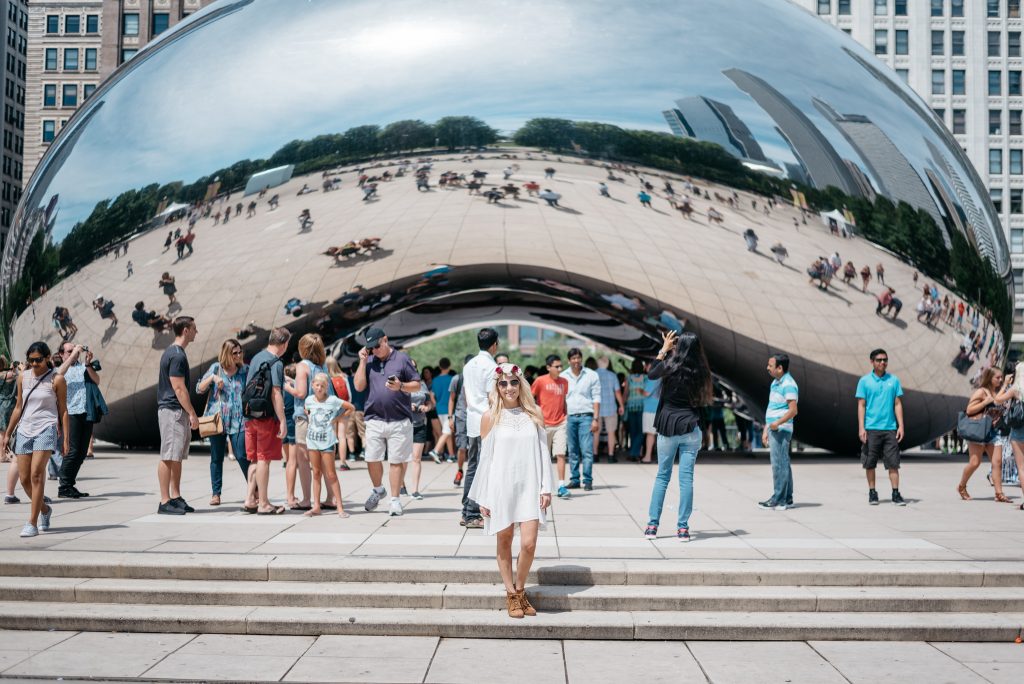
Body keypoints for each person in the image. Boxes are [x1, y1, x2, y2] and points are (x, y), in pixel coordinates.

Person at [469, 362, 552, 619]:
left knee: (529, 543)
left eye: (513, 382)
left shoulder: (534, 413)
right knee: (504, 540)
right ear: (497, 386)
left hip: (530, 484)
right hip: (500, 487)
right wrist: (483, 496)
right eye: (503, 383)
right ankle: (512, 595)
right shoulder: (489, 417)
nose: (509, 387)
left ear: (521, 385)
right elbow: (485, 461)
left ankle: (520, 588)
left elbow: (543, 452)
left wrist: (546, 487)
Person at [643, 331, 712, 541]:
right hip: (691, 427)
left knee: (662, 477)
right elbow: (703, 404)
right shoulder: (702, 373)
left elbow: (651, 373)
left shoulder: (670, 366)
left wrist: (664, 349)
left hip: (668, 427)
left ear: (678, 347)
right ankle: (683, 528)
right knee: (686, 480)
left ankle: (652, 527)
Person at [352, 327, 421, 517]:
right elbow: (358, 386)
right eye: (371, 347)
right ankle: (378, 489)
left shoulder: (402, 359)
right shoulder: (369, 361)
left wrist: (401, 386)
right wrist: (362, 361)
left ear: (385, 340)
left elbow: (417, 385)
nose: (374, 350)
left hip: (399, 419)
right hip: (374, 418)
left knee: (396, 461)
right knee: (371, 458)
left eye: (377, 346)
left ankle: (395, 500)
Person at [0, 343, 67, 537]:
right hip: (24, 430)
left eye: (38, 359)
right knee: (24, 479)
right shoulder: (23, 377)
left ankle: (32, 522)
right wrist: (7, 434)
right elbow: (19, 407)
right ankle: (45, 509)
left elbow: (63, 411)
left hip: (46, 429)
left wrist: (65, 438)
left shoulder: (57, 379)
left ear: (47, 358)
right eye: (31, 360)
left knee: (37, 475)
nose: (35, 364)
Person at [242, 327, 291, 515]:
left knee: (254, 458)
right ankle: (263, 503)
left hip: (250, 416)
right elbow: (276, 393)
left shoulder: (256, 357)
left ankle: (249, 499)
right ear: (284, 343)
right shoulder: (276, 363)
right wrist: (283, 420)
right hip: (265, 418)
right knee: (264, 459)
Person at [196, 339, 249, 507]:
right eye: (235, 353)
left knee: (241, 455)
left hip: (239, 420)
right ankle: (216, 493)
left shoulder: (244, 370)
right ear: (227, 353)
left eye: (240, 352)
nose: (239, 355)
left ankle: (254, 490)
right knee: (216, 458)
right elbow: (199, 389)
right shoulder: (216, 368)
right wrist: (212, 378)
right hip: (218, 420)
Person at [283, 334, 333, 511]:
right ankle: (330, 497)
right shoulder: (322, 367)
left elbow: (301, 393)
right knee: (324, 459)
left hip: (305, 418)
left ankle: (306, 499)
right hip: (323, 418)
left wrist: (288, 386)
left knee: (303, 460)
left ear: (303, 348)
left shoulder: (302, 366)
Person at [156, 317, 199, 515]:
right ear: (186, 330)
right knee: (168, 455)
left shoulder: (175, 353)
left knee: (177, 457)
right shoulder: (177, 356)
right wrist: (192, 413)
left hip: (175, 410)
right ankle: (165, 501)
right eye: (194, 328)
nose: (196, 332)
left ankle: (175, 496)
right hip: (172, 410)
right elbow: (179, 388)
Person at [460, 328, 500, 528]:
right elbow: (492, 398)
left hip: (473, 420)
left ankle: (466, 510)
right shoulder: (492, 367)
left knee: (473, 466)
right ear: (495, 345)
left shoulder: (469, 365)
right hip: (487, 421)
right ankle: (472, 514)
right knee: (483, 468)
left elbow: (467, 395)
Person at [856, 349, 906, 506]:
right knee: (870, 463)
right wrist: (861, 428)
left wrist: (901, 426)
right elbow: (861, 405)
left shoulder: (894, 380)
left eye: (885, 359)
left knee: (893, 463)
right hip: (871, 429)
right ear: (872, 362)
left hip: (890, 429)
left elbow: (897, 403)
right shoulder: (864, 381)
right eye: (879, 360)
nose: (882, 362)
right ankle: (872, 492)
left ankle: (896, 494)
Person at [959, 367, 1015, 502]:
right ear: (989, 377)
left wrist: (1006, 385)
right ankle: (961, 486)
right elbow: (969, 410)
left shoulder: (996, 392)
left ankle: (999, 493)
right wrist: (985, 401)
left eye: (1002, 377)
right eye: (998, 378)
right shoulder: (981, 391)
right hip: (979, 430)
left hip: (994, 432)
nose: (1000, 380)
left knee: (997, 463)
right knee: (975, 463)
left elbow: (997, 401)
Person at [303, 373, 353, 517]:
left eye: (322, 386)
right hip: (312, 441)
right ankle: (316, 506)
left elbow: (351, 407)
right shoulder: (308, 400)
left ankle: (340, 508)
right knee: (316, 473)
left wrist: (337, 418)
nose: (319, 388)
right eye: (317, 385)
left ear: (327, 388)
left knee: (331, 474)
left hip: (328, 442)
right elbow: (307, 411)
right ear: (312, 385)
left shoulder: (332, 400)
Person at [55, 343, 99, 499]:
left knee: (81, 452)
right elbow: (58, 375)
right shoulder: (59, 369)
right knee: (72, 451)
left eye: (75, 350)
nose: (74, 353)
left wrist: (87, 364)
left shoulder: (82, 367)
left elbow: (96, 380)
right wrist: (73, 355)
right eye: (69, 350)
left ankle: (69, 485)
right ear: (61, 354)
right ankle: (64, 486)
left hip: (86, 411)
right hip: (71, 412)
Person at [759, 353, 798, 511]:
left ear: (780, 368)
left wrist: (776, 424)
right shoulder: (776, 383)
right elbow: (772, 408)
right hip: (774, 427)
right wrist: (766, 428)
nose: (767, 368)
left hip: (781, 429)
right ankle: (787, 498)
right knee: (784, 464)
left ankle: (779, 499)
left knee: (778, 465)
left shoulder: (788, 384)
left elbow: (793, 410)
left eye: (770, 365)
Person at [531, 354, 570, 499]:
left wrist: (566, 415)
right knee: (542, 456)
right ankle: (541, 485)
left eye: (561, 366)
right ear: (548, 367)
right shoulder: (540, 381)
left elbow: (564, 400)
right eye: (557, 366)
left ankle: (561, 485)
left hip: (560, 423)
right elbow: (529, 398)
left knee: (561, 454)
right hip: (544, 425)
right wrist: (535, 417)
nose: (560, 369)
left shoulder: (564, 382)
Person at [563, 348, 601, 491]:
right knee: (572, 451)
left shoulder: (592, 375)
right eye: (573, 358)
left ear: (581, 359)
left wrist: (596, 419)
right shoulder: (563, 376)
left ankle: (588, 480)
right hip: (569, 417)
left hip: (586, 416)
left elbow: (597, 397)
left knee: (586, 450)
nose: (576, 361)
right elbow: (561, 399)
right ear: (569, 360)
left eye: (578, 358)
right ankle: (574, 479)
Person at [407, 372, 434, 500]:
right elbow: (391, 404)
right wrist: (406, 406)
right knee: (401, 459)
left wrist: (426, 407)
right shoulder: (400, 384)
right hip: (403, 426)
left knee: (416, 458)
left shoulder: (422, 384)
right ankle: (401, 486)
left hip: (420, 424)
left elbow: (430, 403)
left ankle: (415, 490)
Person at [595, 357, 624, 464]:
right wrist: (621, 405)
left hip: (596, 408)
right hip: (610, 408)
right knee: (611, 432)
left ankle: (595, 455)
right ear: (607, 364)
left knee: (596, 432)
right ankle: (611, 455)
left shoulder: (592, 375)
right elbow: (617, 392)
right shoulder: (612, 375)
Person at [429, 358, 455, 463]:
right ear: (449, 366)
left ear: (440, 367)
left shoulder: (435, 380)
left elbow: (431, 394)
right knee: (447, 431)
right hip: (449, 409)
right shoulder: (452, 379)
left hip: (439, 409)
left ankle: (451, 455)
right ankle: (436, 451)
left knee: (446, 431)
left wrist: (435, 404)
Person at [625, 359, 646, 461]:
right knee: (641, 431)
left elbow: (625, 393)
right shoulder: (646, 378)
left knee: (633, 431)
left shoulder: (629, 378)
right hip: (642, 407)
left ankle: (633, 453)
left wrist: (623, 404)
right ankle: (635, 453)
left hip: (630, 407)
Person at [640, 364, 661, 463]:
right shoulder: (661, 378)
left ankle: (647, 456)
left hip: (650, 409)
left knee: (650, 434)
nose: (645, 367)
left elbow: (646, 393)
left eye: (647, 365)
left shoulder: (652, 379)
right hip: (658, 408)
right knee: (658, 434)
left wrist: (639, 390)